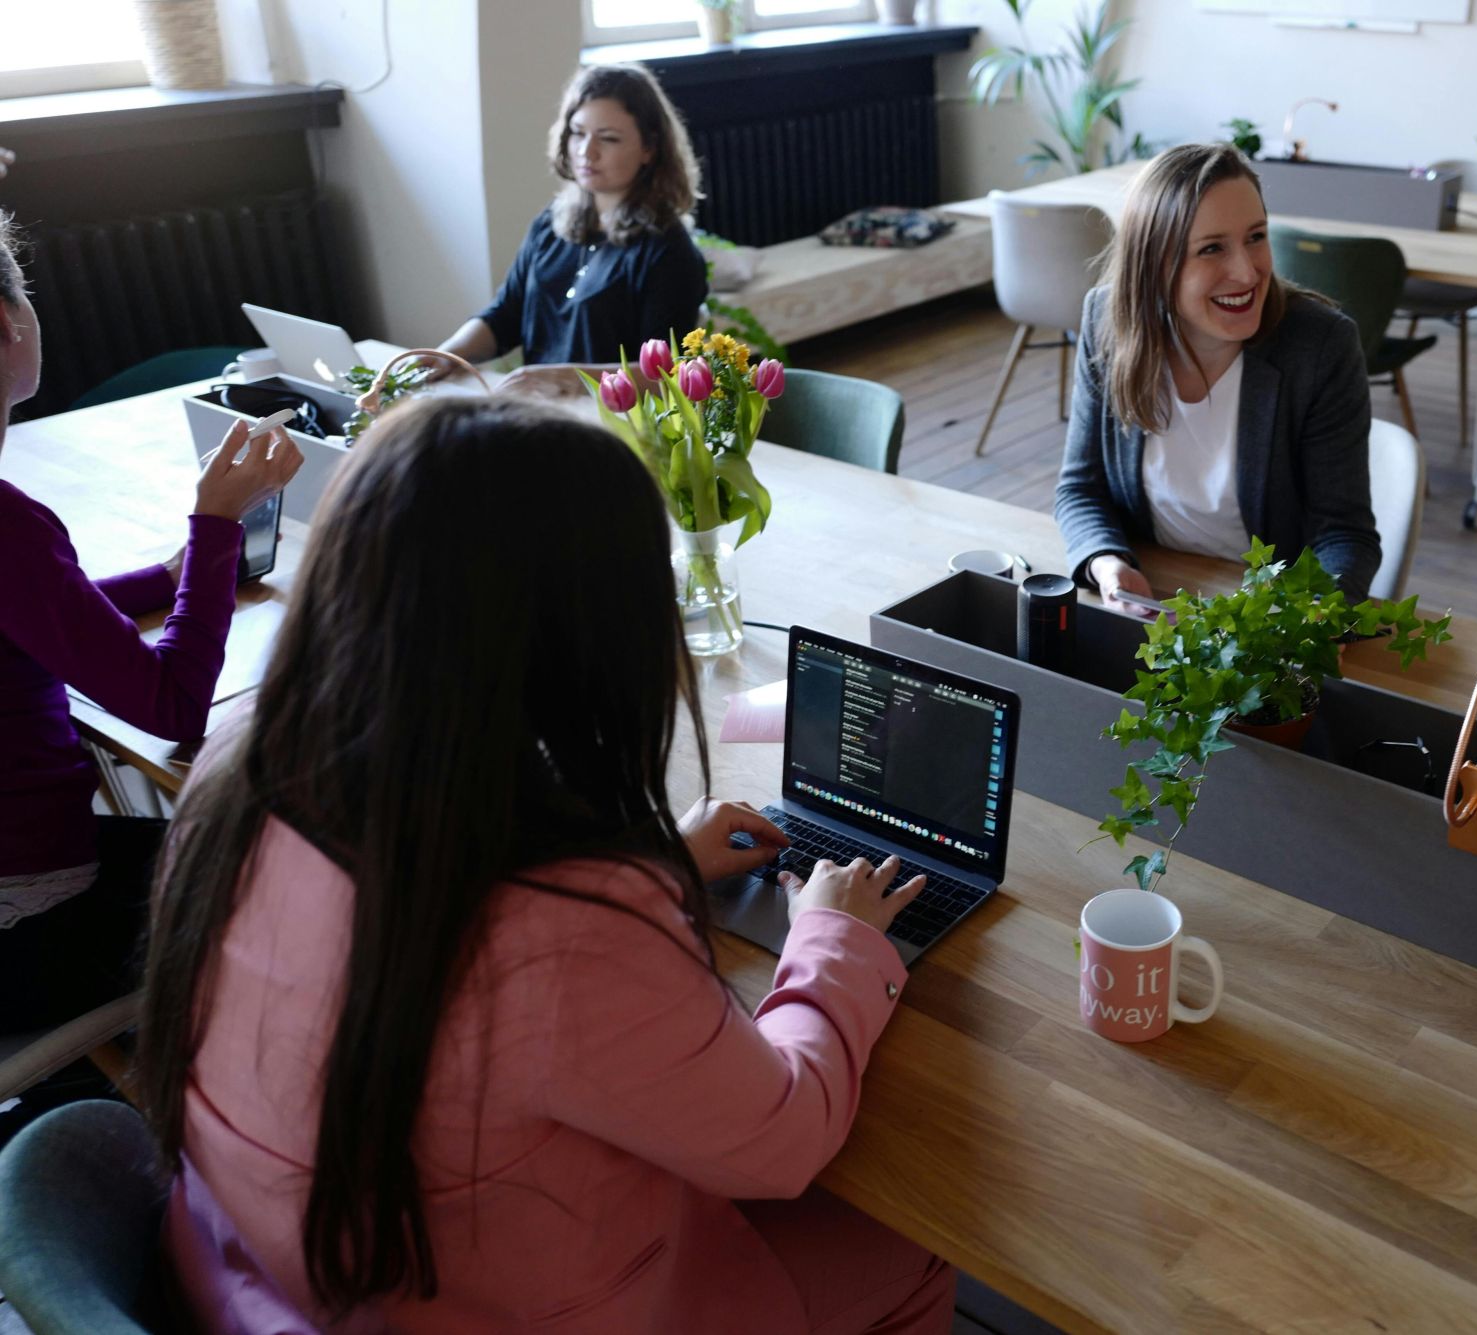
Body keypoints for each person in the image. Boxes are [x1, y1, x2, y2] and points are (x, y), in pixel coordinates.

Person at [140, 395, 957, 1333]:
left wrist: (651, 864)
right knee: (917, 1240)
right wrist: (835, 938)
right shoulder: (565, 922)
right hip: (493, 1305)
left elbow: (445, 950)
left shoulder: (242, 759)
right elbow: (784, 1140)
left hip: (253, 1269)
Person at [0, 209, 301, 1030]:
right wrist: (214, 526)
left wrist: (167, 578)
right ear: (8, 323)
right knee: (292, 866)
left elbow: (35, 611)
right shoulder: (11, 528)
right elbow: (173, 707)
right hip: (34, 932)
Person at [1055, 142, 1382, 606]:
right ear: (1154, 267)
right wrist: (1107, 565)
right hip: (1151, 600)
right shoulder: (1107, 319)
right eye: (1212, 249)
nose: (1247, 272)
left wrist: (1306, 623)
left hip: (1271, 614)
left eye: (1256, 237)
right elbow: (1080, 487)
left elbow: (1344, 536)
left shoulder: (1319, 345)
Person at [433, 64, 708, 398]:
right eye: (578, 133)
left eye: (608, 138)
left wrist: (569, 378)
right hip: (540, 414)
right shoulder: (550, 224)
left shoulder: (669, 251)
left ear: (649, 148)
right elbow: (504, 317)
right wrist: (446, 355)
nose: (586, 151)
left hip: (612, 431)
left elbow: (667, 375)